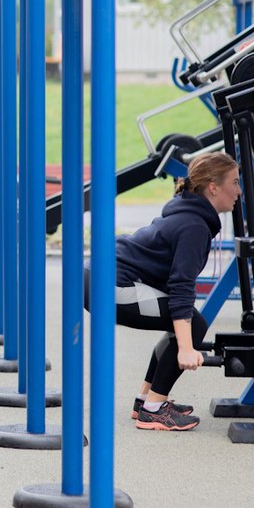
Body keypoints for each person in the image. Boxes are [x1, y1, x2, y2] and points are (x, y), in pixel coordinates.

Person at [85, 151, 240, 432]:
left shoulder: (190, 215)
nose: (239, 191)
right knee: (192, 327)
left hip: (98, 275)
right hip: (108, 284)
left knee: (187, 324)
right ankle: (154, 409)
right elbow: (181, 289)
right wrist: (186, 348)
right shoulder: (194, 227)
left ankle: (145, 400)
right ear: (214, 187)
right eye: (235, 182)